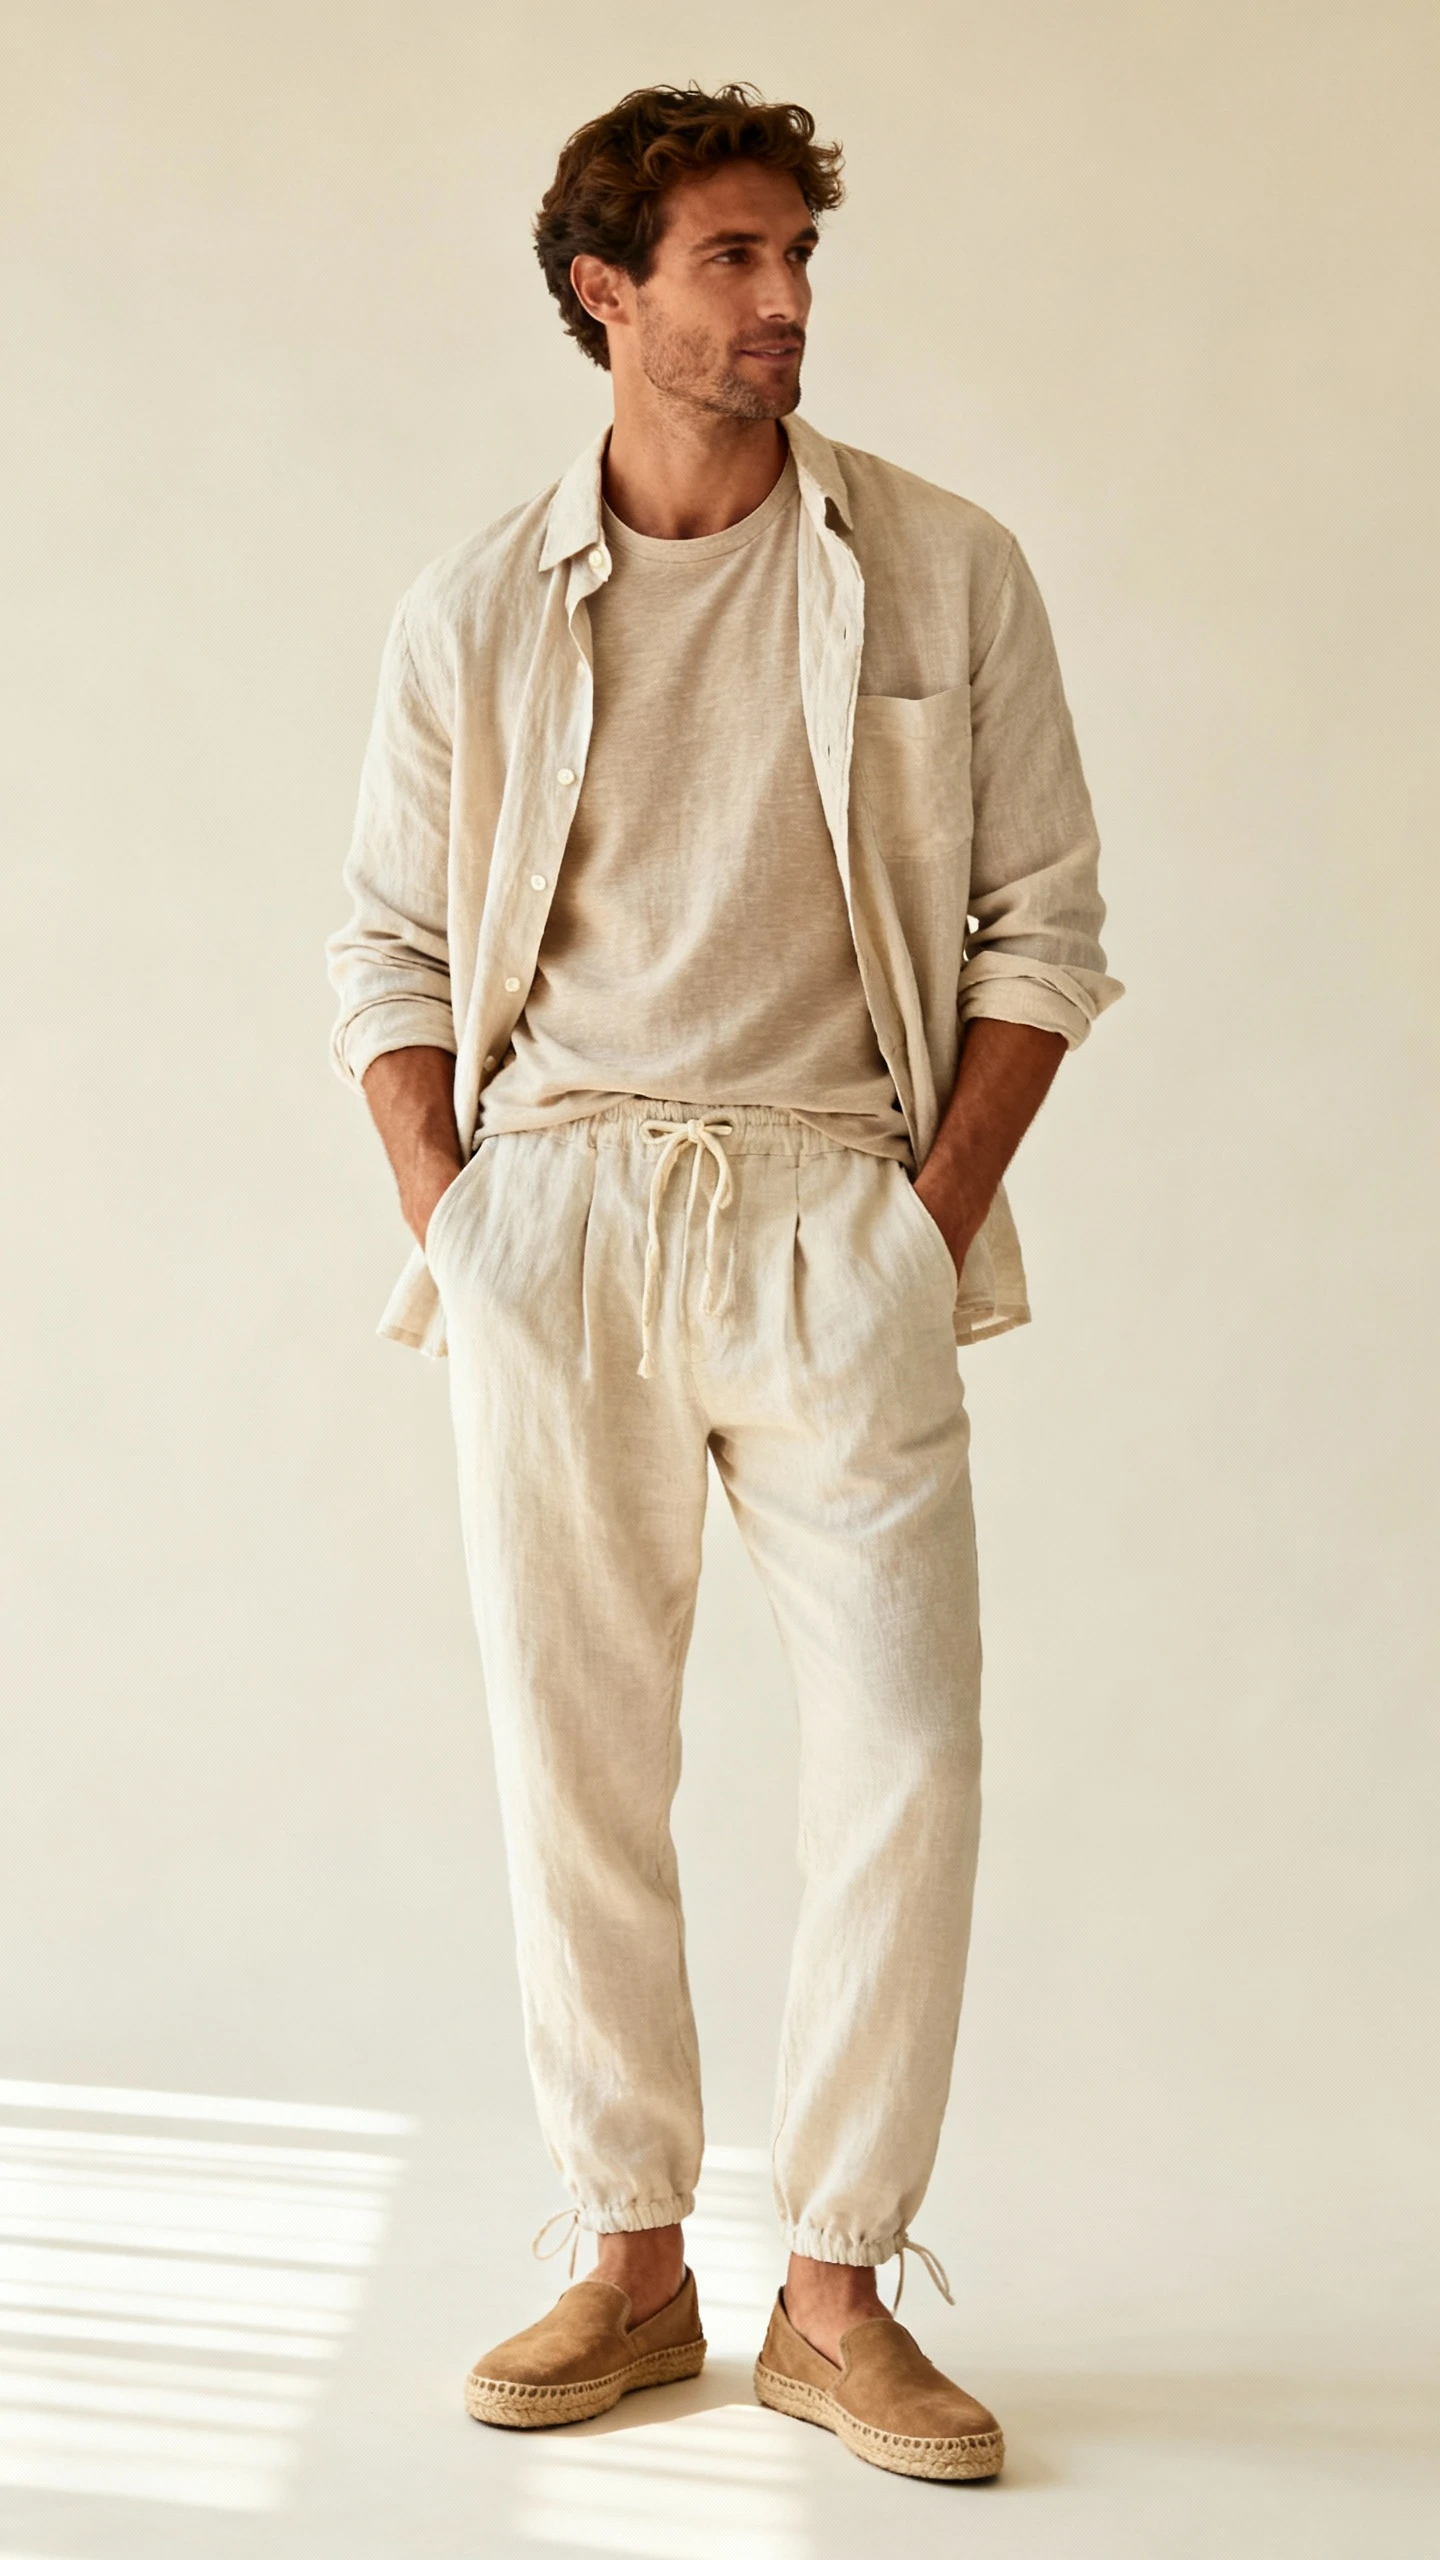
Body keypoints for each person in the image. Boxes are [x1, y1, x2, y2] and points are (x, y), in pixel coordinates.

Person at [327, 81, 1120, 2484]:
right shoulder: (476, 606)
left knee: (910, 1750)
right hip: (556, 1208)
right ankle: (630, 2253)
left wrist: (916, 1217)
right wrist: (456, 1212)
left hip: (830, 1216)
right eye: (736, 262)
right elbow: (378, 942)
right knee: (581, 1761)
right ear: (610, 291)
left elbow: (1047, 931)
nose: (785, 305)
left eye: (799, 263)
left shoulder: (945, 569)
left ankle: (839, 2284)